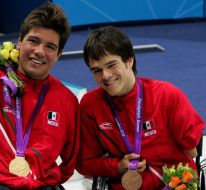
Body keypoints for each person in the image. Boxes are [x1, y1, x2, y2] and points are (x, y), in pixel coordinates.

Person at [0, 2, 79, 190]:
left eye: (50, 46)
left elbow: (70, 160)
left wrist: (50, 179)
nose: (39, 51)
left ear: (59, 54)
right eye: (33, 41)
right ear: (20, 41)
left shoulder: (67, 100)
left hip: (36, 183)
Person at [76, 26, 204, 190]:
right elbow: (84, 164)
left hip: (177, 184)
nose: (105, 75)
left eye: (111, 65)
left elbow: (191, 151)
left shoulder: (167, 95)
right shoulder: (90, 105)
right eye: (97, 70)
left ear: (130, 60)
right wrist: (117, 165)